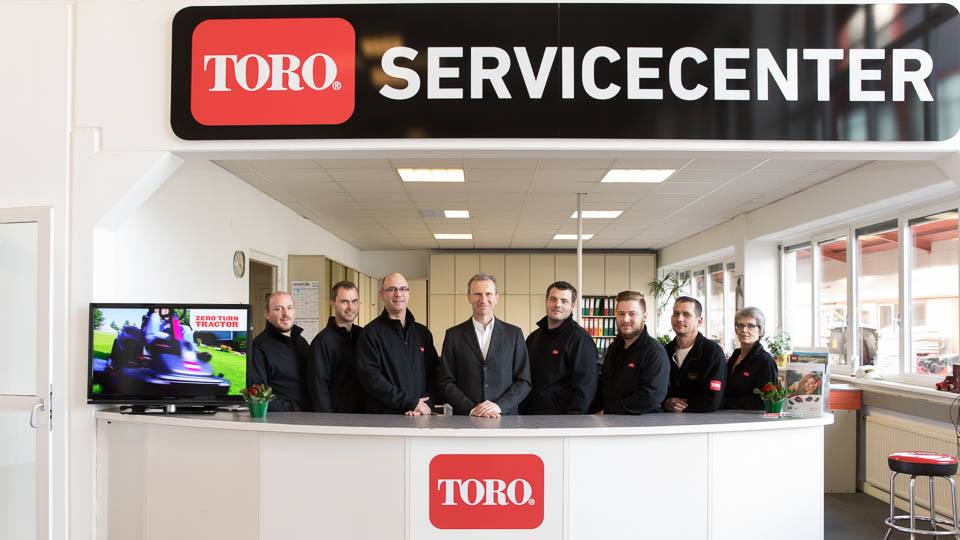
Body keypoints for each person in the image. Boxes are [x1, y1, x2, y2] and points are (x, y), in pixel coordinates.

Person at [437, 273, 531, 417]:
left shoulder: (514, 334)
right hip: (466, 418)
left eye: (488, 294)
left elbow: (524, 381)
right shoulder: (453, 335)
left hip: (505, 418)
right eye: (477, 294)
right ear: (468, 297)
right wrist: (472, 409)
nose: (483, 299)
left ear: (496, 297)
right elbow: (445, 381)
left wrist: (499, 406)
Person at [355, 273, 439, 415]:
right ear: (382, 294)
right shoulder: (370, 334)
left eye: (403, 289)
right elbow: (371, 379)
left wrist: (424, 404)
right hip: (385, 418)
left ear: (409, 293)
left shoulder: (422, 333)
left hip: (419, 415)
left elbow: (434, 374)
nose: (398, 294)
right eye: (391, 289)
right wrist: (411, 402)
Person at [520, 280, 597, 414]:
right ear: (546, 301)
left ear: (572, 305)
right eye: (553, 299)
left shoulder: (580, 340)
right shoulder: (533, 337)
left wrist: (573, 420)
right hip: (529, 415)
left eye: (564, 301)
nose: (557, 305)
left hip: (561, 419)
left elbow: (585, 387)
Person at [591, 291, 669, 414]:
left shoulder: (654, 352)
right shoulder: (613, 348)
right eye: (621, 314)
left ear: (644, 316)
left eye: (632, 314)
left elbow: (652, 396)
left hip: (642, 422)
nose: (625, 319)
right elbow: (604, 386)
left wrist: (608, 412)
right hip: (609, 419)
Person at [308, 280, 365, 413]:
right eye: (344, 301)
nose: (350, 307)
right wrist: (327, 420)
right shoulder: (322, 341)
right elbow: (318, 388)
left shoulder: (363, 335)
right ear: (333, 303)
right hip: (338, 418)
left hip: (366, 415)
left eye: (354, 301)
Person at [250, 291, 311, 411]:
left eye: (289, 308)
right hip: (283, 418)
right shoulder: (259, 347)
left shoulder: (301, 342)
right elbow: (259, 395)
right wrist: (294, 408)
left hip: (310, 415)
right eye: (278, 309)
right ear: (267, 314)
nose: (285, 313)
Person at [662, 296, 726, 413]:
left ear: (699, 321)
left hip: (702, 421)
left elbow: (713, 399)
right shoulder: (665, 351)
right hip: (664, 420)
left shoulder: (712, 353)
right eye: (676, 314)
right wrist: (666, 403)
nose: (679, 319)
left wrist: (680, 406)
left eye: (686, 314)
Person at [721, 307, 778, 410]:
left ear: (760, 331)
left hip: (750, 417)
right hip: (725, 413)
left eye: (750, 326)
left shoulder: (765, 361)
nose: (744, 330)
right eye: (740, 325)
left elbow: (765, 401)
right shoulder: (734, 356)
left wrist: (723, 403)